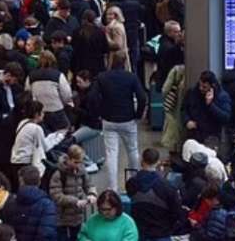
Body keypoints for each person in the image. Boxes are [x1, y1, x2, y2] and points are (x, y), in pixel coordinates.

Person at [96, 51, 147, 192]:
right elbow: (142, 97)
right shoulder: (131, 77)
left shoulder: (102, 77)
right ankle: (134, 183)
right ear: (125, 62)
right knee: (132, 150)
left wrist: (99, 112)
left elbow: (93, 98)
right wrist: (137, 114)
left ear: (111, 61)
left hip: (109, 119)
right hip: (128, 119)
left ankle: (112, 187)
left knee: (111, 154)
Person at [125, 148, 186, 241]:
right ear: (158, 162)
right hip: (161, 233)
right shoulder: (167, 187)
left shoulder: (131, 183)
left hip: (139, 232)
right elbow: (177, 213)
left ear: (142, 161)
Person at [49, 144, 98, 241]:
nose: (78, 165)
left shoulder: (82, 171)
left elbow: (89, 185)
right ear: (68, 159)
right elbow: (56, 195)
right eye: (76, 162)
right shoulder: (58, 174)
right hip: (62, 217)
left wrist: (92, 194)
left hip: (77, 216)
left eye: (80, 162)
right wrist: (75, 201)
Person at [4, 165, 58, 241]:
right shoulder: (47, 205)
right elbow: (47, 233)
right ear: (39, 181)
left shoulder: (10, 202)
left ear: (21, 181)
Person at [25, 51, 73, 133]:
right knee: (63, 134)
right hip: (56, 111)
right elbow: (67, 95)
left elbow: (27, 92)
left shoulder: (31, 76)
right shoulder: (58, 75)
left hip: (39, 113)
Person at [183, 70, 231, 144]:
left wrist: (210, 105)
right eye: (200, 85)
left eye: (204, 87)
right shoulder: (192, 92)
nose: (201, 88)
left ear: (212, 86)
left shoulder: (222, 96)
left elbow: (225, 118)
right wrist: (187, 120)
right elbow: (184, 109)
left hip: (212, 136)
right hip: (194, 134)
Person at [11, 100, 49, 180]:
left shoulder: (22, 123)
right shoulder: (36, 128)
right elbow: (44, 147)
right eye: (42, 112)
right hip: (26, 162)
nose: (43, 114)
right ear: (36, 114)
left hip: (15, 160)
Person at [160, 64, 186, 154]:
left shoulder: (176, 70)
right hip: (185, 107)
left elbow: (165, 89)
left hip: (173, 105)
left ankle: (173, 153)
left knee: (172, 130)